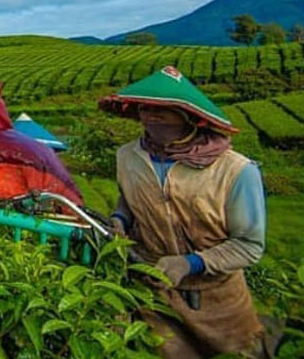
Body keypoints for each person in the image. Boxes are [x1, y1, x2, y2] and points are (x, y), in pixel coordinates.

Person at [99, 66, 275, 358]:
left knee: (237, 352)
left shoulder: (235, 170)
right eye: (145, 107)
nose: (150, 115)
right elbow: (129, 201)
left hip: (219, 300)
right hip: (155, 293)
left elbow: (249, 245)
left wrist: (190, 263)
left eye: (163, 109)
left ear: (190, 116)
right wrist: (120, 219)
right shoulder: (128, 156)